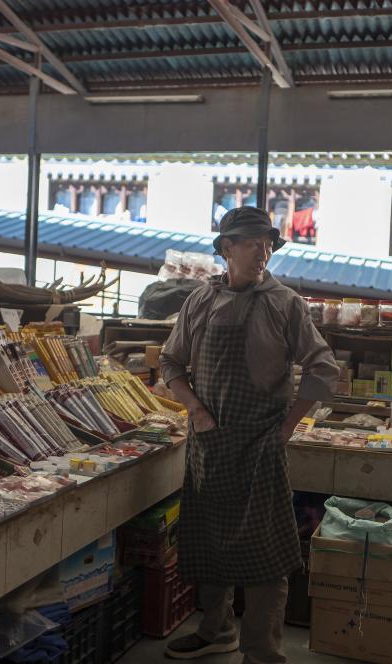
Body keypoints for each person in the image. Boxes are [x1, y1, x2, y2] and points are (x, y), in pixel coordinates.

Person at [160, 206, 338, 663]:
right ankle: (216, 629)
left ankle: (261, 652)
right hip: (210, 442)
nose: (264, 251)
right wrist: (195, 409)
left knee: (266, 556)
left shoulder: (285, 302)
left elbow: (323, 368)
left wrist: (288, 425)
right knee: (209, 541)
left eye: (268, 244)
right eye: (252, 243)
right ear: (226, 249)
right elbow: (171, 363)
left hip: (261, 444)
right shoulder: (199, 300)